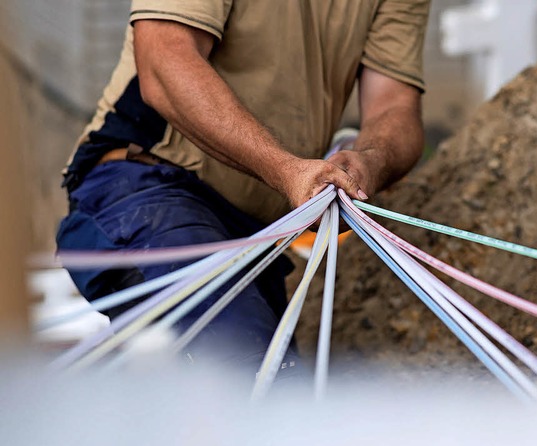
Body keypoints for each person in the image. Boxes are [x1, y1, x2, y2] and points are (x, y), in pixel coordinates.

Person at [56, 0, 429, 376]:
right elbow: (164, 59)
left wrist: (369, 161)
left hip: (256, 235)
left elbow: (394, 103)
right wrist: (287, 170)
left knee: (273, 393)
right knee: (250, 376)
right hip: (147, 188)